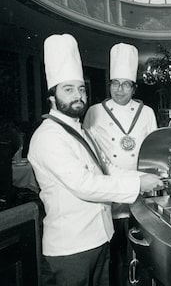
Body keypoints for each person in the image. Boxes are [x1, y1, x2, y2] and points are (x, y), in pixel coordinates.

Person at [28, 34, 163, 286]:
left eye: (81, 88)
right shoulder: (48, 137)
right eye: (68, 89)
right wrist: (137, 186)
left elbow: (107, 168)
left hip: (98, 237)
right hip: (71, 247)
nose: (78, 95)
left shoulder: (80, 131)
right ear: (51, 97)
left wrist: (143, 177)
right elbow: (85, 184)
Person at [83, 42, 157, 286]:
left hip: (139, 191)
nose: (120, 89)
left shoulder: (147, 113)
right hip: (109, 192)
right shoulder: (94, 111)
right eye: (115, 83)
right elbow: (87, 154)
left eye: (126, 84)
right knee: (112, 252)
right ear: (110, 85)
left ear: (134, 88)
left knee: (138, 250)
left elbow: (153, 150)